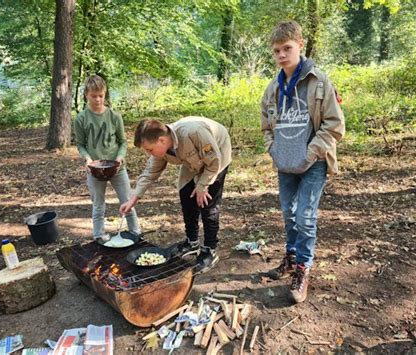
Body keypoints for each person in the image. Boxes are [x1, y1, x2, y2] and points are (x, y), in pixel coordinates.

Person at [260, 20, 345, 303]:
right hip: (285, 164)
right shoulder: (272, 88)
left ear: (300, 45)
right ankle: (291, 257)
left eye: (287, 48)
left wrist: (310, 153)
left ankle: (303, 268)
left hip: (313, 163)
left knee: (304, 217)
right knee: (288, 214)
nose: (282, 55)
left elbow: (334, 125)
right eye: (276, 51)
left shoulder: (318, 82)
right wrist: (273, 149)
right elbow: (265, 127)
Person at [119, 116, 232, 273]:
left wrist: (202, 185)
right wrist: (133, 199)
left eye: (149, 149)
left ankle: (209, 250)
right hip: (192, 161)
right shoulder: (162, 149)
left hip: (217, 154)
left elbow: (213, 161)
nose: (148, 153)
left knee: (207, 204)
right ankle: (191, 242)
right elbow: (150, 173)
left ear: (162, 140)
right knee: (186, 196)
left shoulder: (193, 132)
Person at [74, 75, 140, 240]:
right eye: (93, 96)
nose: (98, 99)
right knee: (98, 205)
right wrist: (87, 159)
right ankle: (98, 235)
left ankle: (135, 232)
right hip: (95, 169)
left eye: (101, 95)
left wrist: (120, 157)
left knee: (127, 200)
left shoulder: (114, 117)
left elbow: (123, 142)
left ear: (105, 94)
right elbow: (80, 144)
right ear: (86, 95)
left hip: (117, 167)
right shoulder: (81, 118)